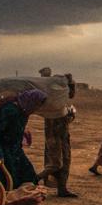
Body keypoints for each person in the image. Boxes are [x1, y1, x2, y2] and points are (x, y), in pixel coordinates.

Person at [0, 89, 47, 194]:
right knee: (5, 181)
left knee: (29, 176)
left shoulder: (24, 111)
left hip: (16, 151)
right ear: (31, 101)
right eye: (37, 104)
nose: (37, 108)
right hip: (3, 150)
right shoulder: (9, 110)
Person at [36, 67, 78, 197]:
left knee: (64, 161)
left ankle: (62, 188)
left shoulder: (57, 103)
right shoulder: (54, 103)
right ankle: (32, 180)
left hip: (61, 135)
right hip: (55, 137)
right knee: (56, 163)